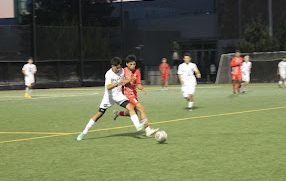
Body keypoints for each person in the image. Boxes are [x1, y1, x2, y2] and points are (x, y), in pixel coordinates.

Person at [76, 57, 145, 141]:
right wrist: (118, 83)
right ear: (112, 66)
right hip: (109, 97)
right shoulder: (108, 74)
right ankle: (84, 132)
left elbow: (124, 81)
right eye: (117, 67)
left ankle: (137, 125)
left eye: (120, 67)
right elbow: (108, 87)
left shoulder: (122, 71)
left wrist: (130, 80)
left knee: (130, 107)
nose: (119, 69)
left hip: (119, 96)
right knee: (99, 114)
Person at [113, 55, 159, 137]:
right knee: (140, 108)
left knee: (132, 112)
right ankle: (148, 130)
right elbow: (122, 82)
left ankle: (118, 113)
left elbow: (138, 84)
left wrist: (142, 88)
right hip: (127, 94)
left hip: (134, 94)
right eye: (131, 64)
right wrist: (129, 80)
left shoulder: (137, 71)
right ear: (127, 64)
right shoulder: (123, 71)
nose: (133, 66)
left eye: (134, 64)